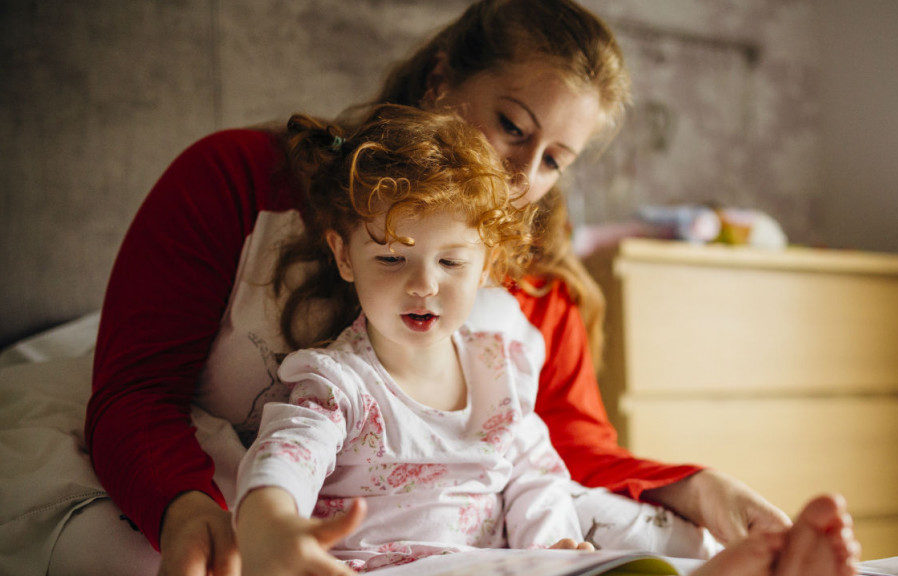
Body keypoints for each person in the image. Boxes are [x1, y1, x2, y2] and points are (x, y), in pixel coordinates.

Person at [77, 1, 789, 575]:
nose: (521, 178)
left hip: (472, 517)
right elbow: (137, 390)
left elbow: (558, 445)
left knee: (652, 533)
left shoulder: (528, 287)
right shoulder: (234, 180)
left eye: (553, 161)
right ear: (441, 80)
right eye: (512, 127)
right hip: (259, 498)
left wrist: (697, 488)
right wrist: (183, 506)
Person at [235, 104, 596, 574]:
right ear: (345, 257)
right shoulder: (339, 383)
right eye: (390, 259)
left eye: (450, 263)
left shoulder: (500, 368)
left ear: (486, 265)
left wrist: (551, 549)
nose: (424, 285)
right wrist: (272, 522)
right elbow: (288, 453)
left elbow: (535, 479)